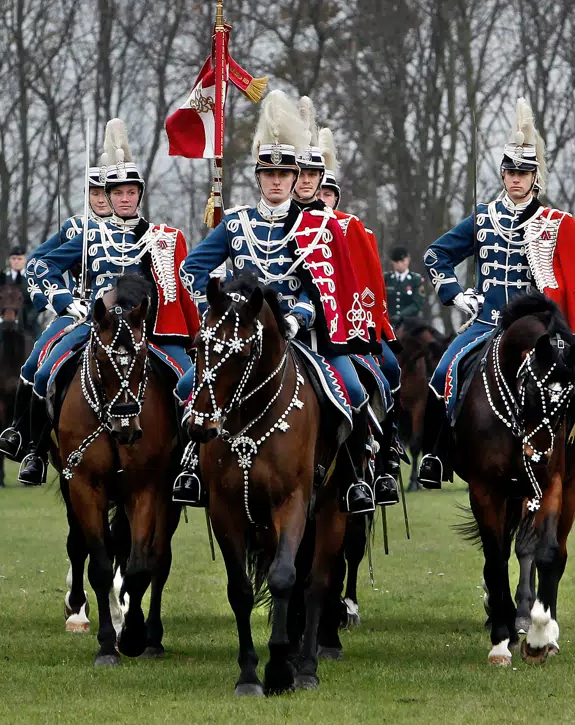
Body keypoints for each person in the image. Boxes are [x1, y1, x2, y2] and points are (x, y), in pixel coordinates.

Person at [174, 91, 374, 508]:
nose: (278, 181)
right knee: (186, 386)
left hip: (301, 337)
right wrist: (216, 306)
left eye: (285, 174)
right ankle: (191, 465)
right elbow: (191, 268)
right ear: (259, 177)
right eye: (270, 174)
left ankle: (357, 477)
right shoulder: (235, 224)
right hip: (238, 336)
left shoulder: (317, 226)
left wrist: (300, 316)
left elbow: (327, 287)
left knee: (353, 391)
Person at [419, 98, 575, 491]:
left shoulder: (555, 223)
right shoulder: (482, 219)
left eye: (523, 173)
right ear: (502, 174)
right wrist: (457, 296)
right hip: (486, 323)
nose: (516, 179)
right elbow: (435, 254)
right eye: (510, 172)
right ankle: (434, 457)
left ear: (535, 177)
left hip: (541, 330)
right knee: (443, 372)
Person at [20, 119, 199, 487]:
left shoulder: (159, 238)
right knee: (43, 372)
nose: (124, 198)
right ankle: (35, 450)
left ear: (139, 194)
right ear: (108, 195)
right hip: (94, 324)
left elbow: (177, 286)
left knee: (187, 379)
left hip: (145, 330)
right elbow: (40, 264)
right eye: (117, 192)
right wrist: (65, 300)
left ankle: (189, 460)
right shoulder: (87, 233)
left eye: (131, 192)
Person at [308, 120, 401, 505]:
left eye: (329, 191)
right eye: (318, 188)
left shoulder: (352, 228)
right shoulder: (286, 224)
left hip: (349, 328)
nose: (323, 197)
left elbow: (369, 286)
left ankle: (386, 452)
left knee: (390, 369)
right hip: (297, 328)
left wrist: (364, 327)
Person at [0, 168, 111, 474]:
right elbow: (37, 263)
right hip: (78, 313)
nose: (100, 199)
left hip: (127, 319)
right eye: (94, 193)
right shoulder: (75, 228)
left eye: (105, 192)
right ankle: (27, 441)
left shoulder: (138, 233)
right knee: (35, 366)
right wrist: (62, 300)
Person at [0, 245, 41, 409]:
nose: (16, 262)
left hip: (28, 327)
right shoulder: (3, 279)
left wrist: (25, 320)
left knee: (44, 353)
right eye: (14, 259)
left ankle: (44, 392)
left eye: (19, 259)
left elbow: (40, 302)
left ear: (25, 259)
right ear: (10, 260)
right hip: (4, 328)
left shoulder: (32, 278)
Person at [385, 247, 426, 324]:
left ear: (408, 260)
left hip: (410, 322)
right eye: (397, 262)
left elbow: (417, 304)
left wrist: (400, 316)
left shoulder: (416, 279)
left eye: (402, 261)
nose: (400, 264)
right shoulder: (386, 278)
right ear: (393, 262)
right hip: (388, 321)